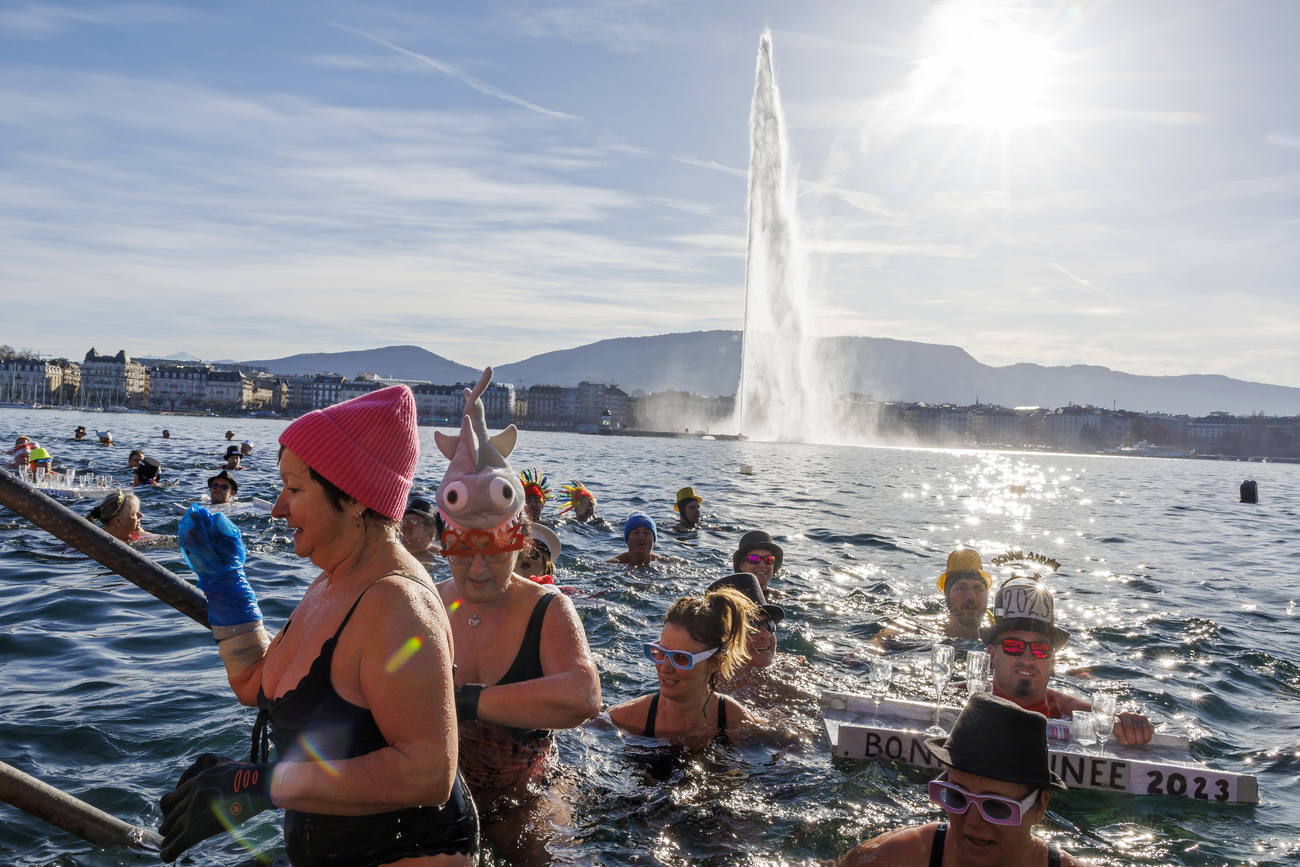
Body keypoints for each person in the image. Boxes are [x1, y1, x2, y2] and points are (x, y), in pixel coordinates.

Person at [158, 385, 478, 865]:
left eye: (294, 489)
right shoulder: (331, 584)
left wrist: (263, 784)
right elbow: (256, 684)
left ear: (352, 499)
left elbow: (428, 772)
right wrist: (225, 587)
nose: (277, 508)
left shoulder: (399, 605)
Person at [433, 368, 600, 865]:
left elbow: (583, 696)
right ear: (443, 545)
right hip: (440, 790)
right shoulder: (427, 602)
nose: (478, 569)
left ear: (521, 543)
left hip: (527, 791)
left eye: (494, 552)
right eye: (463, 551)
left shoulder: (547, 609)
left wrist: (465, 701)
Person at [837, 692, 1084, 867]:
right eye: (956, 797)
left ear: (1040, 806)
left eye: (996, 806)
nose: (972, 821)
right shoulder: (899, 857)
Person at [979, 577, 1154, 746]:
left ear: (1053, 662)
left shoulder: (1072, 713)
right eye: (1013, 646)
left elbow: (1109, 720)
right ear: (992, 655)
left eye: (1041, 649)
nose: (1027, 659)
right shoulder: (960, 700)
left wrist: (1127, 723)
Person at [609, 587, 759, 742]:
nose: (664, 668)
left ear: (715, 663)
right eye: (661, 653)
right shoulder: (625, 719)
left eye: (681, 658)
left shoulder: (737, 723)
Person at [937, 548, 993, 640]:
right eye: (961, 589)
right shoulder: (920, 631)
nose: (972, 597)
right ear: (947, 597)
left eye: (978, 589)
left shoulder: (1000, 635)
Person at [86, 489, 160, 544]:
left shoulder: (136, 533)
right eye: (134, 513)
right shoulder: (110, 545)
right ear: (118, 522)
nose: (141, 515)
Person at [606, 512, 672, 565]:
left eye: (646, 533)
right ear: (627, 539)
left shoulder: (669, 563)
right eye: (635, 532)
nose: (641, 537)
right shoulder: (611, 565)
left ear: (654, 540)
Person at [732, 530, 783, 594]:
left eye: (768, 559)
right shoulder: (731, 598)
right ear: (742, 566)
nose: (762, 565)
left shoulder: (781, 597)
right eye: (754, 559)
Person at [400, 496, 441, 564]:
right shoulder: (389, 550)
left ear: (430, 532)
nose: (406, 525)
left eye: (414, 521)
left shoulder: (442, 557)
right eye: (404, 521)